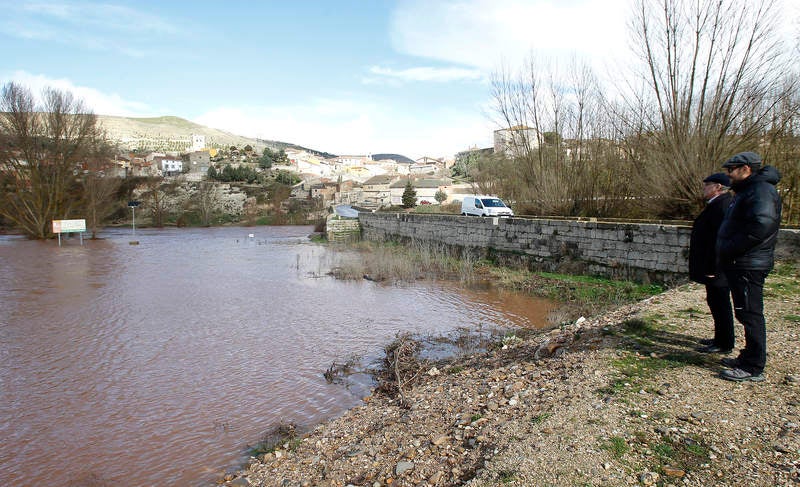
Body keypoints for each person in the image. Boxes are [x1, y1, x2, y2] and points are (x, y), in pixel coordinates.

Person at [716, 151, 782, 382]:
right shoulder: (750, 190)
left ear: (746, 169)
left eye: (732, 170)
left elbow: (761, 224)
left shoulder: (760, 190)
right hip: (743, 262)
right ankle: (747, 357)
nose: (729, 174)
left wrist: (731, 247)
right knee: (745, 311)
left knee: (751, 313)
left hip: (748, 263)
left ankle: (753, 366)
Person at [689, 173, 734, 353]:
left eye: (707, 185)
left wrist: (713, 266)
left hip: (717, 267)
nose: (704, 188)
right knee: (715, 301)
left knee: (720, 302)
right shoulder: (718, 204)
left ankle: (724, 343)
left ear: (718, 187)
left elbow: (719, 239)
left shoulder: (721, 206)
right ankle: (720, 338)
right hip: (714, 266)